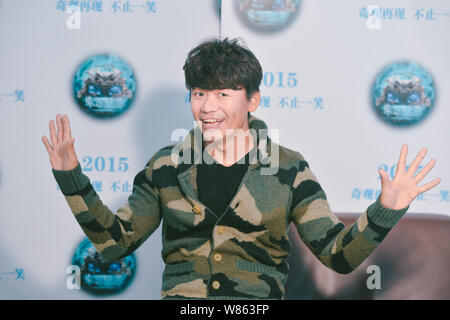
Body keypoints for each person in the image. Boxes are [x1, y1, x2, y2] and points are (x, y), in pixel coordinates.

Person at [42, 38, 441, 300]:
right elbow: (116, 243)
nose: (207, 106)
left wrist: (386, 208)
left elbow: (338, 255)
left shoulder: (289, 169)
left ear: (252, 100)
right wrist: (71, 178)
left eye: (222, 94)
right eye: (199, 93)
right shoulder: (165, 167)